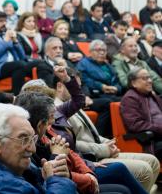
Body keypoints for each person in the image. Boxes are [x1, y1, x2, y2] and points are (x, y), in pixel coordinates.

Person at [16, 82, 147, 194]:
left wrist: (88, 172)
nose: (53, 118)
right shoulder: (29, 145)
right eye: (51, 115)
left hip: (82, 167)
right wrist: (87, 172)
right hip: (76, 173)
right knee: (122, 183)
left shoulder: (47, 127)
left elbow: (71, 153)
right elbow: (55, 176)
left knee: (125, 176)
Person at [0, 103, 77, 194]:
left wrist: (44, 176)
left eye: (32, 139)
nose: (33, 149)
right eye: (24, 139)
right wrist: (58, 179)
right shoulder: (3, 186)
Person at [64, 94, 160, 193]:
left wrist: (108, 143)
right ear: (60, 85)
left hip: (98, 152)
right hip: (91, 157)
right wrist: (105, 149)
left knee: (153, 161)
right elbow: (74, 144)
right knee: (144, 169)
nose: (79, 90)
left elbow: (93, 134)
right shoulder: (60, 111)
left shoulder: (73, 105)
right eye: (75, 84)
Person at [0, 11, 38, 95]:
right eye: (1, 21)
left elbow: (22, 56)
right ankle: (17, 95)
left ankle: (20, 96)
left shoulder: (6, 34)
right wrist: (5, 41)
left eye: (5, 21)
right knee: (20, 65)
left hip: (15, 64)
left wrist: (15, 41)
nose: (4, 23)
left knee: (37, 64)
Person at [121, 67, 162, 159]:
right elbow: (135, 124)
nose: (150, 81)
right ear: (133, 83)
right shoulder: (130, 99)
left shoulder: (152, 96)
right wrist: (159, 129)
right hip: (151, 141)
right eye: (145, 78)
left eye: (149, 77)